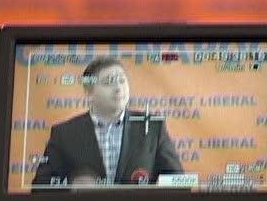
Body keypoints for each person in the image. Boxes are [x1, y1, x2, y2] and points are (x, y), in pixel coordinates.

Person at [32, 56, 183, 186]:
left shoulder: (153, 126)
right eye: (109, 82)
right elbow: (41, 185)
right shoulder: (64, 133)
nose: (118, 88)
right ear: (89, 93)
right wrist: (71, 185)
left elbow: (179, 180)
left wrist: (155, 189)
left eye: (122, 81)